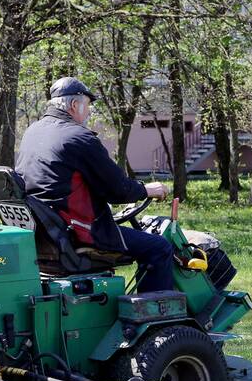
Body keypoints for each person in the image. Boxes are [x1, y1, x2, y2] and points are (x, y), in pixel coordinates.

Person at [15, 77, 175, 292]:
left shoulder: (33, 132)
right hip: (77, 233)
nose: (89, 112)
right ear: (74, 105)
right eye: (88, 105)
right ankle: (155, 316)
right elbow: (118, 190)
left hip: (45, 235)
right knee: (159, 247)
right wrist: (146, 190)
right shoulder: (78, 137)